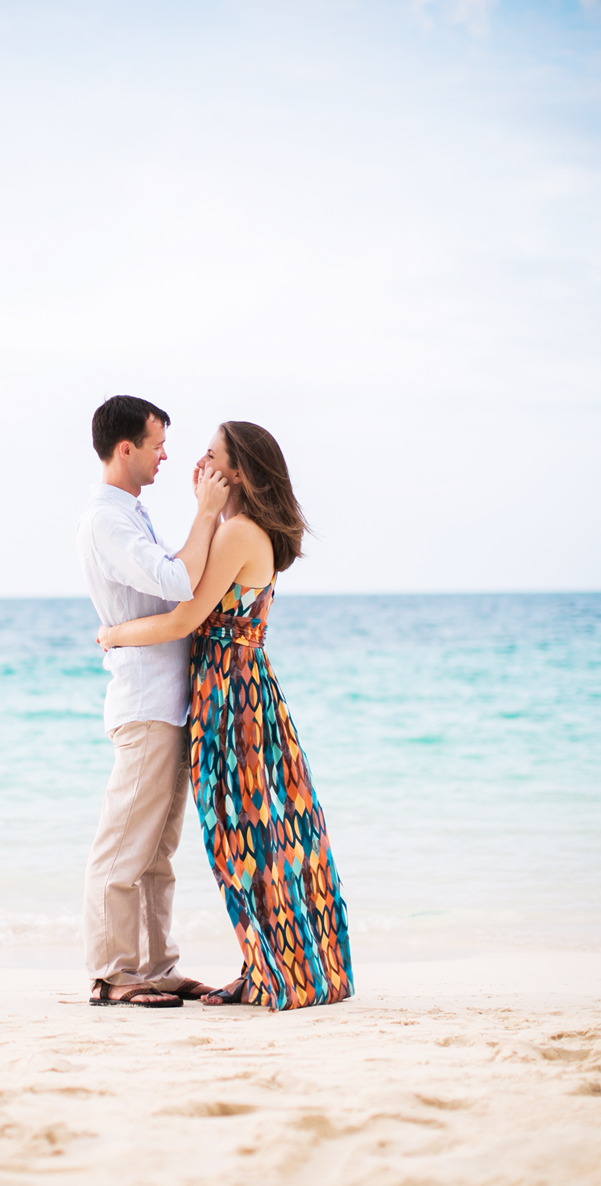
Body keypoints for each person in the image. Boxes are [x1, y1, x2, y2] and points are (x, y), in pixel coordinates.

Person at [97, 420, 353, 1011]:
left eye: (211, 456)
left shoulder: (240, 532)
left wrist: (114, 633)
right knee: (255, 836)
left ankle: (276, 972)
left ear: (236, 471)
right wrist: (204, 510)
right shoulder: (237, 528)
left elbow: (185, 618)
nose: (198, 462)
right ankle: (265, 966)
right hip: (238, 692)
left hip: (232, 699)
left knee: (245, 839)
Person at [78, 394, 231, 1009]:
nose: (165, 453)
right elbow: (176, 581)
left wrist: (208, 520)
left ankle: (156, 967)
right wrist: (206, 513)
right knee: (122, 846)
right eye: (156, 443)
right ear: (126, 448)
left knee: (158, 851)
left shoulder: (131, 514)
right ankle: (113, 974)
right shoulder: (106, 519)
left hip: (169, 701)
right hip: (143, 702)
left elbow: (175, 579)